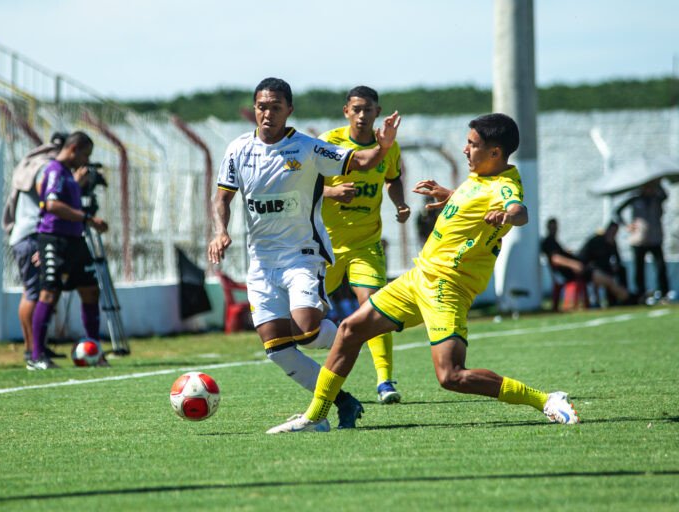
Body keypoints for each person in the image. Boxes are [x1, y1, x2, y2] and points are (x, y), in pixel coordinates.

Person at [267, 113, 580, 434]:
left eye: (472, 145)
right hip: (419, 278)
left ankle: (545, 400)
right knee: (349, 330)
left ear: (495, 153)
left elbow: (519, 210)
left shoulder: (504, 185)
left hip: (447, 288)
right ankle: (315, 417)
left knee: (451, 376)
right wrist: (450, 196)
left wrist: (507, 215)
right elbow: (475, 197)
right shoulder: (480, 177)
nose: (464, 150)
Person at [208, 77, 401, 429]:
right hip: (261, 262)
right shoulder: (237, 149)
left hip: (302, 254)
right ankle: (342, 403)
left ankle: (352, 333)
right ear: (255, 108)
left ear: (289, 110)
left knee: (308, 330)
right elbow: (223, 197)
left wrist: (383, 148)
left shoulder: (309, 148)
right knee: (277, 349)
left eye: (275, 107)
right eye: (262, 106)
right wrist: (220, 231)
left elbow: (360, 161)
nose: (267, 113)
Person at [319, 85, 410, 404]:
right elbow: (305, 183)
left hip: (365, 244)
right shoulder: (329, 143)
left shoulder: (389, 147)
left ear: (377, 112)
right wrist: (331, 193)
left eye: (367, 109)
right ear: (346, 111)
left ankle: (385, 380)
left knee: (373, 306)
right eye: (355, 109)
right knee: (307, 317)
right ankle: (321, 366)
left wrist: (399, 203)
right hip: (324, 245)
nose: (361, 115)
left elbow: (393, 178)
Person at [29, 132, 108, 370]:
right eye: (85, 154)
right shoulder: (53, 170)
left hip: (75, 239)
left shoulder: (68, 175)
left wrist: (79, 185)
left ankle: (93, 348)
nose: (85, 160)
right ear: (73, 148)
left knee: (90, 290)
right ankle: (37, 356)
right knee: (49, 294)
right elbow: (51, 205)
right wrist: (88, 218)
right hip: (55, 239)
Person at [3, 133, 67, 363]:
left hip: (25, 235)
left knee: (33, 291)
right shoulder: (47, 167)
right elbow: (47, 198)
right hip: (32, 236)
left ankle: (37, 346)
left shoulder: (35, 163)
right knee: (33, 292)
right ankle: (32, 350)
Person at [541, 217, 631, 307]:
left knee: (606, 276)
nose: (555, 229)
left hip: (578, 268)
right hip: (572, 271)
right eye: (552, 227)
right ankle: (627, 298)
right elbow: (555, 258)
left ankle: (622, 297)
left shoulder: (554, 242)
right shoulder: (549, 241)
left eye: (555, 227)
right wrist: (574, 264)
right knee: (607, 280)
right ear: (548, 227)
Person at [614, 180, 670, 302]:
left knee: (660, 267)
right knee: (639, 268)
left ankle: (664, 293)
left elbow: (665, 195)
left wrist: (658, 182)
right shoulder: (635, 198)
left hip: (655, 238)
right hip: (639, 239)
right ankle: (641, 293)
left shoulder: (657, 198)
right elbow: (617, 212)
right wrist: (627, 225)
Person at [578, 221, 628, 305]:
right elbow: (587, 258)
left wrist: (615, 266)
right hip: (590, 269)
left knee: (621, 270)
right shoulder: (597, 241)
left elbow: (617, 259)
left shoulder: (612, 243)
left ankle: (616, 300)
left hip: (604, 268)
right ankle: (624, 296)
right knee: (608, 279)